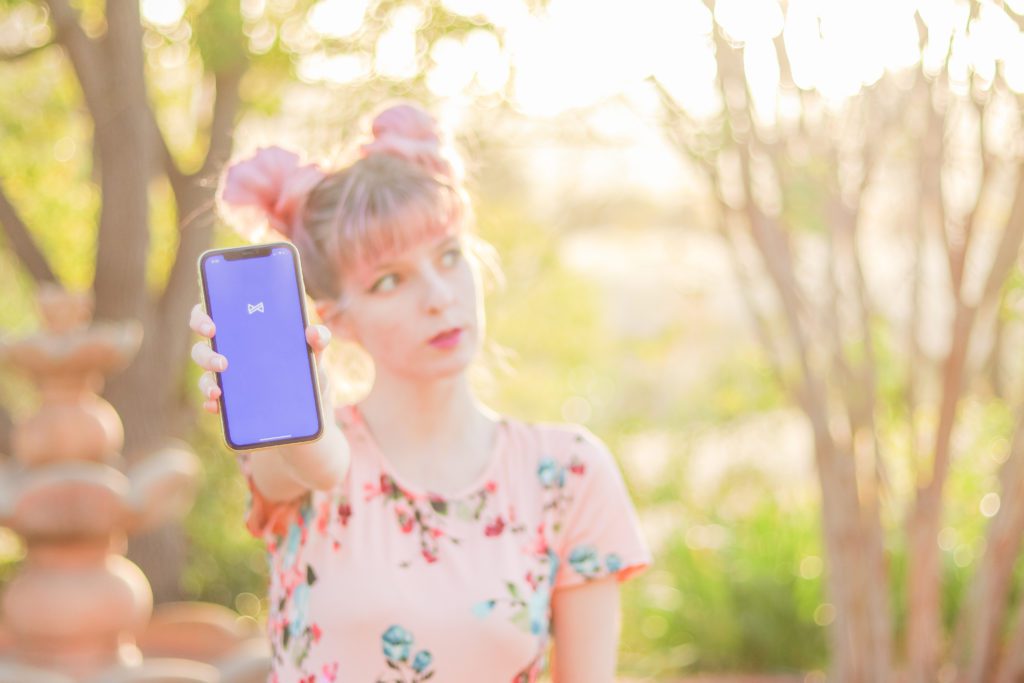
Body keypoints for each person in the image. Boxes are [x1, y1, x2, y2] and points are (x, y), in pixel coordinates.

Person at [189, 102, 651, 683]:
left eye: (449, 256)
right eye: (390, 280)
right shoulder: (295, 450)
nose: (438, 295)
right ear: (339, 318)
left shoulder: (567, 474)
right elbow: (318, 463)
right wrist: (292, 386)